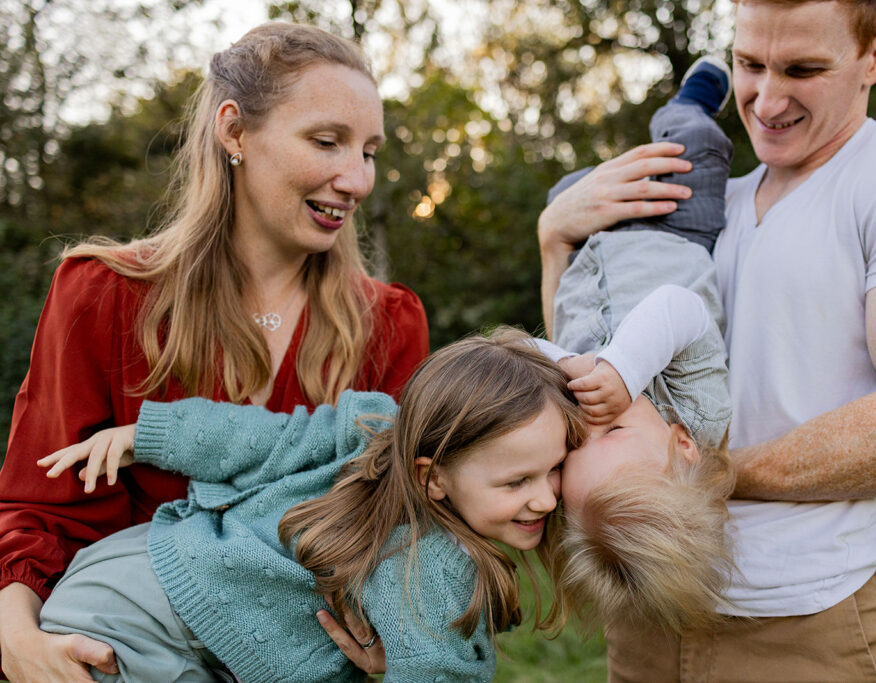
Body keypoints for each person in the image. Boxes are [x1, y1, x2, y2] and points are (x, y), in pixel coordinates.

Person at [539, 1, 876, 680]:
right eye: (749, 64)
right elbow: (592, 375)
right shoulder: (701, 205)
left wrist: (703, 475)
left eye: (802, 69)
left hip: (804, 622)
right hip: (648, 603)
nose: (766, 98)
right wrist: (555, 243)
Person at [0, 22, 429, 682]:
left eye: (368, 152)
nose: (358, 179)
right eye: (327, 142)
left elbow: (406, 530)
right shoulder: (102, 294)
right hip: (127, 648)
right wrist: (17, 639)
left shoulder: (390, 324)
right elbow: (41, 510)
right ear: (234, 132)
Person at [35, 329, 586, 682]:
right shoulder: (434, 558)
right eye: (517, 482)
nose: (545, 497)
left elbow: (257, 437)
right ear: (434, 477)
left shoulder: (376, 427)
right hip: (146, 632)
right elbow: (439, 675)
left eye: (554, 468)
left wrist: (146, 435)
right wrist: (142, 436)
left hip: (130, 572)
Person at [534, 57, 737, 633]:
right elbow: (677, 307)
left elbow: (531, 351)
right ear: (681, 446)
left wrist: (551, 362)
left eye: (575, 444)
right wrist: (622, 370)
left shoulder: (583, 406)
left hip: (590, 249)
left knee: (566, 191)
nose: (589, 414)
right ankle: (693, 99)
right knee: (695, 142)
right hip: (675, 226)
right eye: (615, 428)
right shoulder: (701, 408)